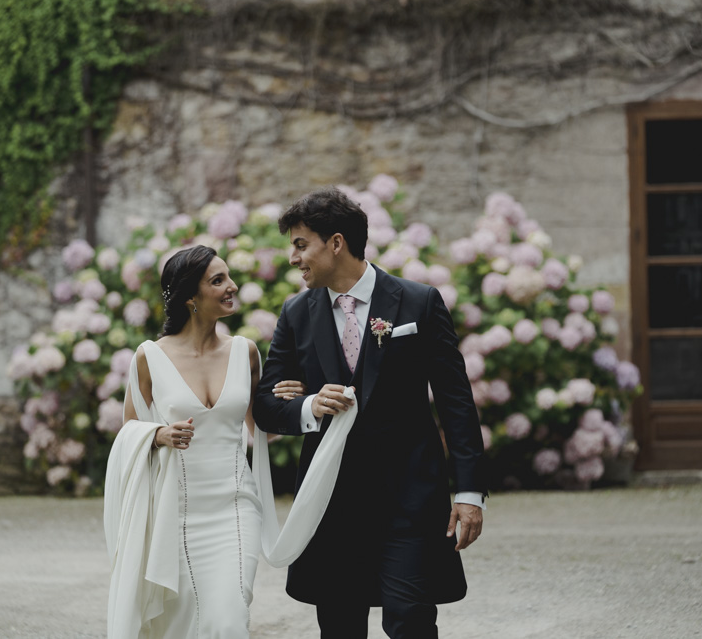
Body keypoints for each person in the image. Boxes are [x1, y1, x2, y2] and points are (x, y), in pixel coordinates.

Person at [253, 187, 487, 639]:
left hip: (411, 501)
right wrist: (307, 406)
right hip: (331, 505)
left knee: (410, 620)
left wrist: (470, 493)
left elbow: (456, 402)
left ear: (335, 243)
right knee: (340, 627)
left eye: (301, 245)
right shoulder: (296, 313)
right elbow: (266, 406)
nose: (292, 258)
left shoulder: (418, 302)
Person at [103, 245, 308, 639]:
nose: (232, 286)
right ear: (189, 297)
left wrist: (292, 403)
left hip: (235, 507)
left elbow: (260, 426)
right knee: (179, 624)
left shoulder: (245, 352)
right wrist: (157, 434)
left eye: (229, 276)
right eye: (218, 280)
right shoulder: (149, 357)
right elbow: (129, 432)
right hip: (174, 512)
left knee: (228, 620)